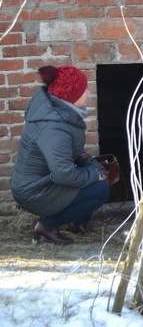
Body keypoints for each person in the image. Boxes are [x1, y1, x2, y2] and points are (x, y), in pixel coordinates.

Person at [11, 65, 110, 245]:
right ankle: (46, 225)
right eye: (83, 89)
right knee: (100, 188)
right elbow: (63, 173)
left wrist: (85, 160)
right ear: (71, 94)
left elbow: (58, 156)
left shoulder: (58, 112)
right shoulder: (54, 126)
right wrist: (94, 174)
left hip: (42, 182)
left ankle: (75, 222)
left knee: (95, 168)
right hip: (34, 191)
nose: (88, 92)